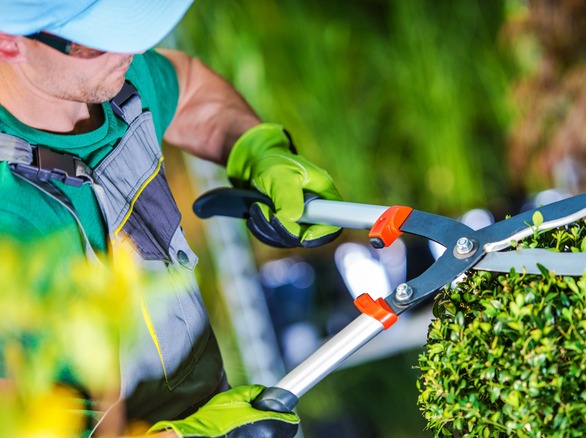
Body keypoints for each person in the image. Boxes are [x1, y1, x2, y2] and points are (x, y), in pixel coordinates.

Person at [0, 0, 342, 436]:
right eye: (97, 39)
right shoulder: (10, 215)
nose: (130, 46)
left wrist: (260, 151)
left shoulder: (113, 83)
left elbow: (189, 87)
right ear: (9, 42)